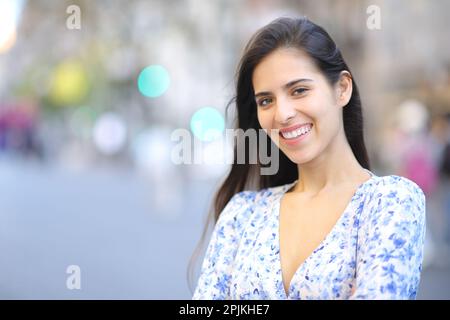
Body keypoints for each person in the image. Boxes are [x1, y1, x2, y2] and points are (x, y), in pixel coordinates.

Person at [190, 17, 426, 300]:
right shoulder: (242, 214)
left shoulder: (389, 202)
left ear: (342, 89)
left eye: (299, 90)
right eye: (266, 100)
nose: (282, 114)